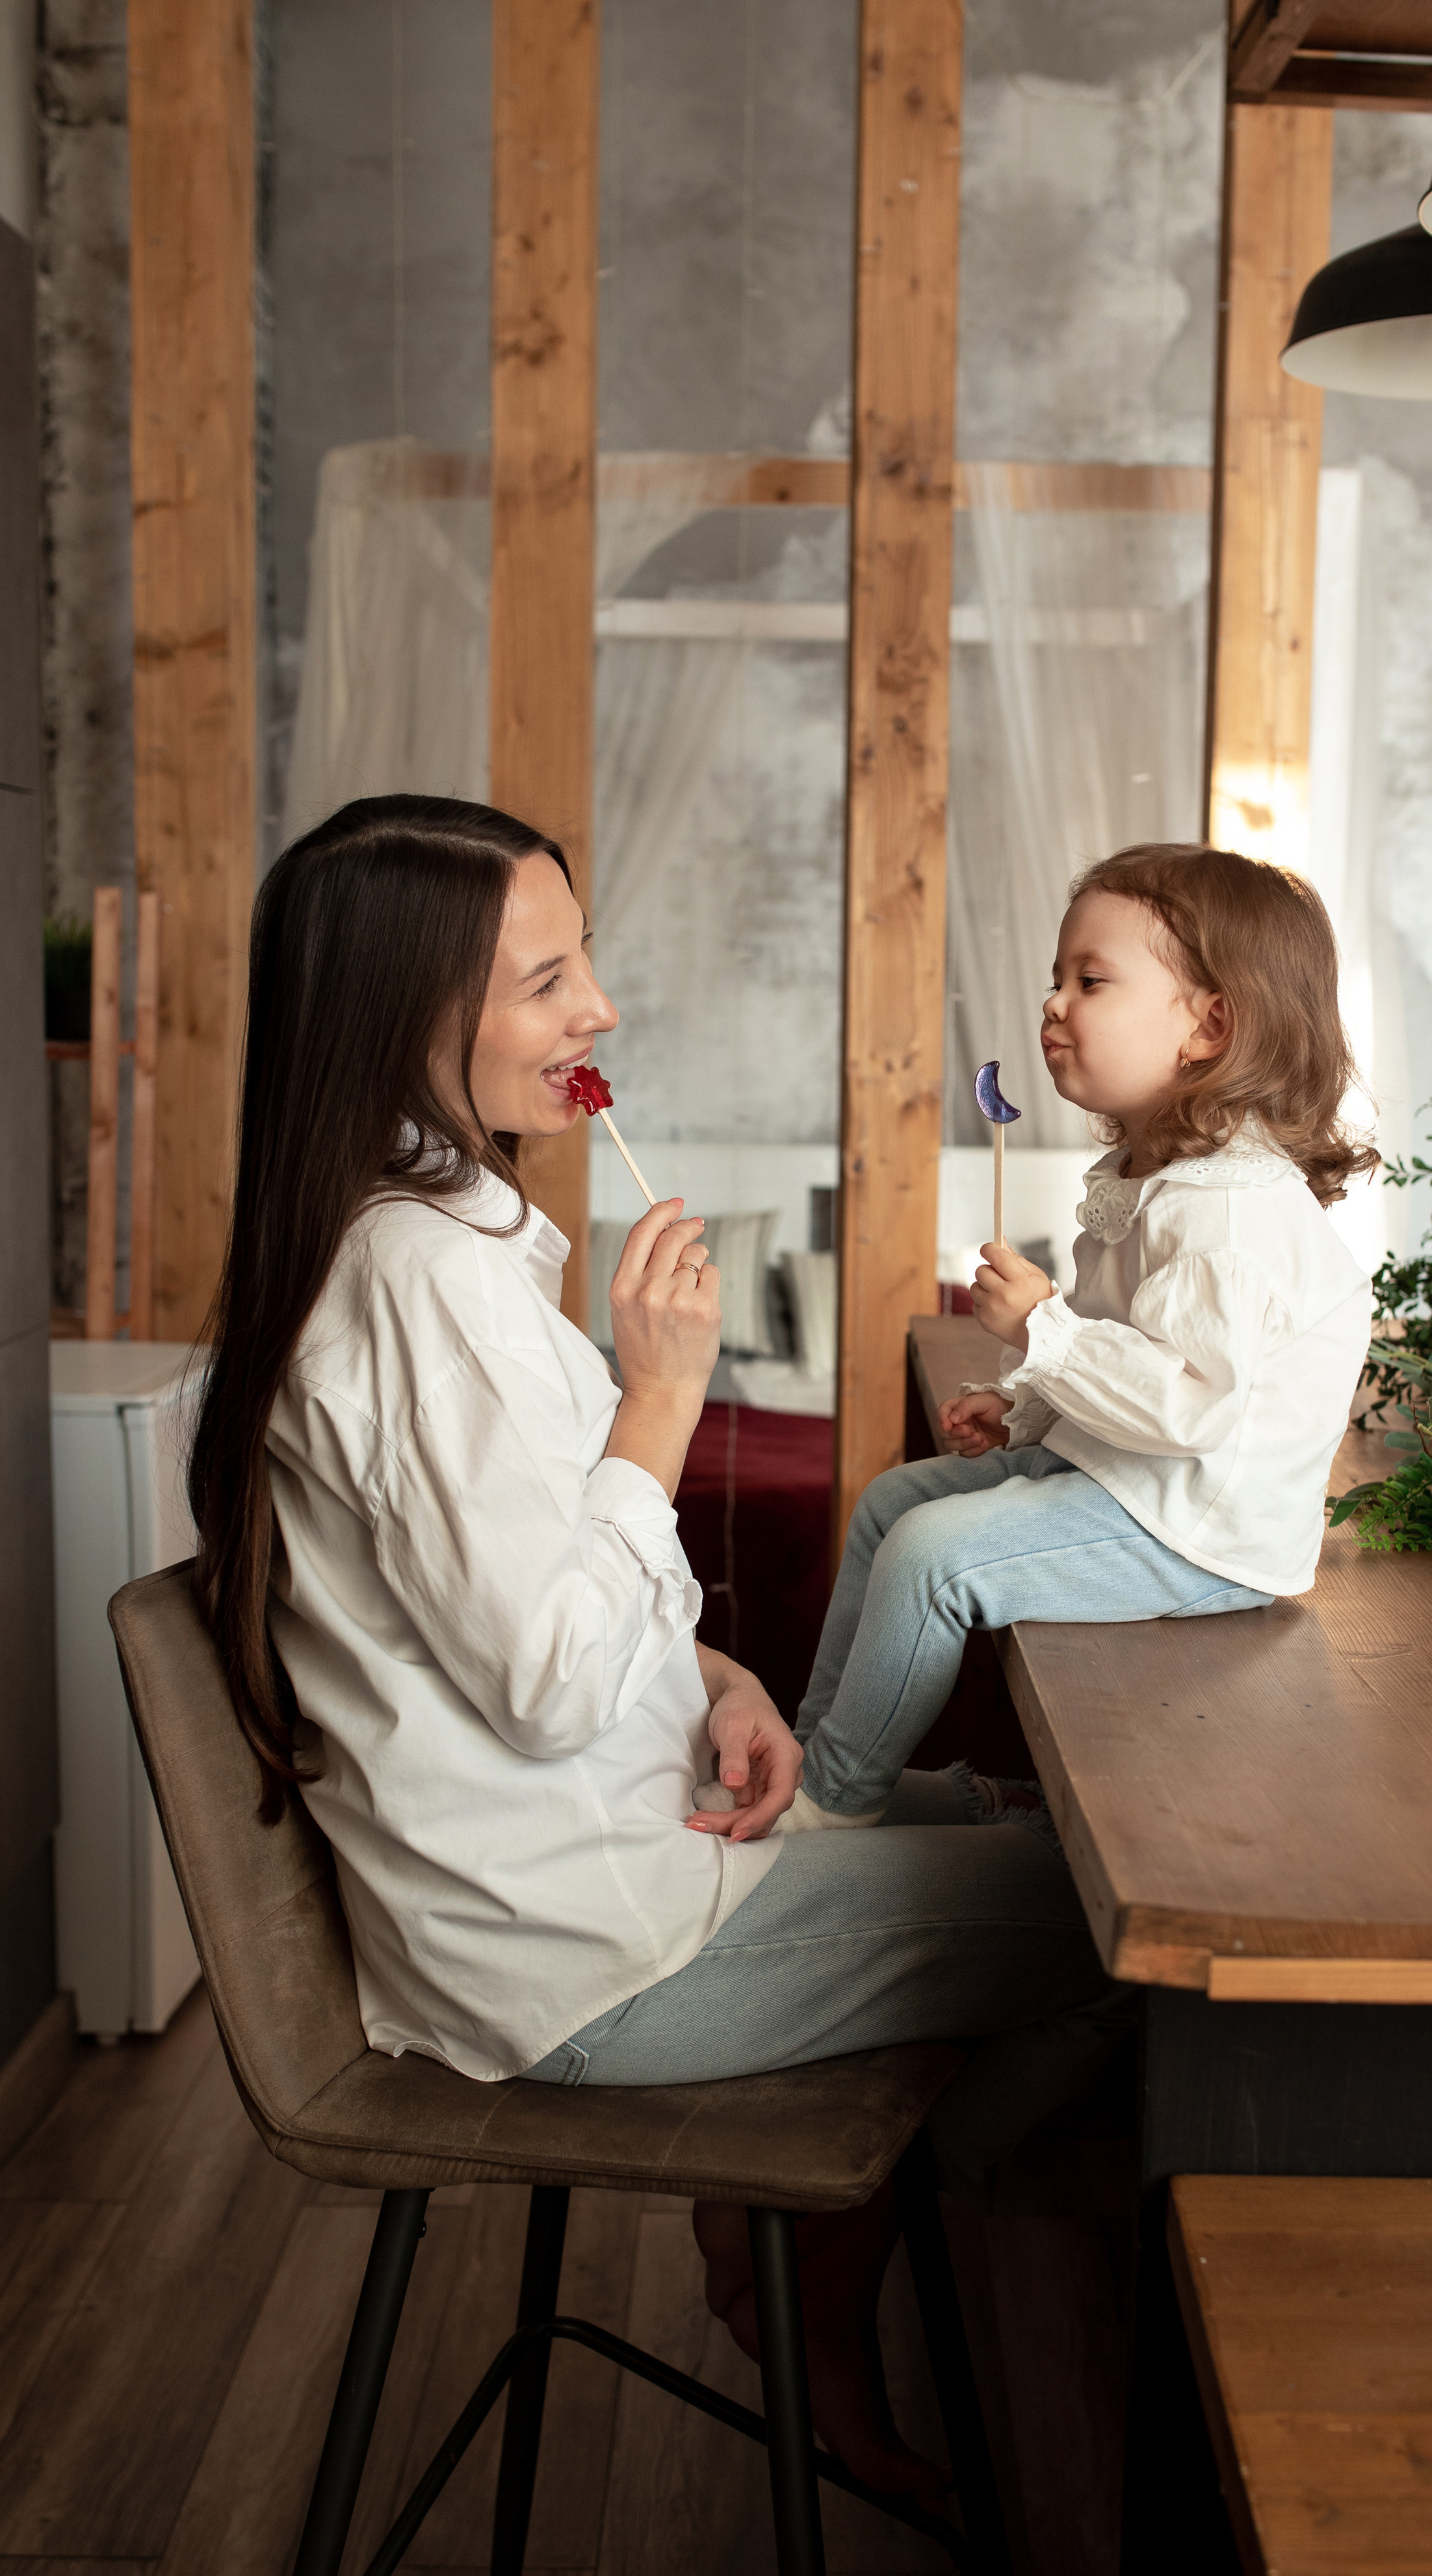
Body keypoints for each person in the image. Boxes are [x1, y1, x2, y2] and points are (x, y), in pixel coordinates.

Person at [186, 793, 1125, 2501]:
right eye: (549, 980)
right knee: (1117, 1929)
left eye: (584, 961)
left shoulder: (452, 1239)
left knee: (999, 1818)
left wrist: (717, 1679)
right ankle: (845, 2271)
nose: (599, 1008)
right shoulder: (416, 1284)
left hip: (632, 1845)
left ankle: (822, 2259)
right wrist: (665, 1397)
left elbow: (523, 1589)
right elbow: (542, 1675)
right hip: (587, 1953)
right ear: (408, 1023)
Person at [705, 843, 1375, 1839]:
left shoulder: (1226, 1211)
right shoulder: (1151, 1173)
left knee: (936, 1556)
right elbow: (1125, 1345)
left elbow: (1191, 1405)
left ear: (1211, 1024)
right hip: (1133, 1477)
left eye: (1091, 981)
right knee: (896, 1502)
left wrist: (1042, 1333)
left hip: (1204, 1529)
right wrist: (1029, 1404)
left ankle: (833, 1806)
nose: (1055, 1003)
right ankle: (821, 1756)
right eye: (1056, 979)